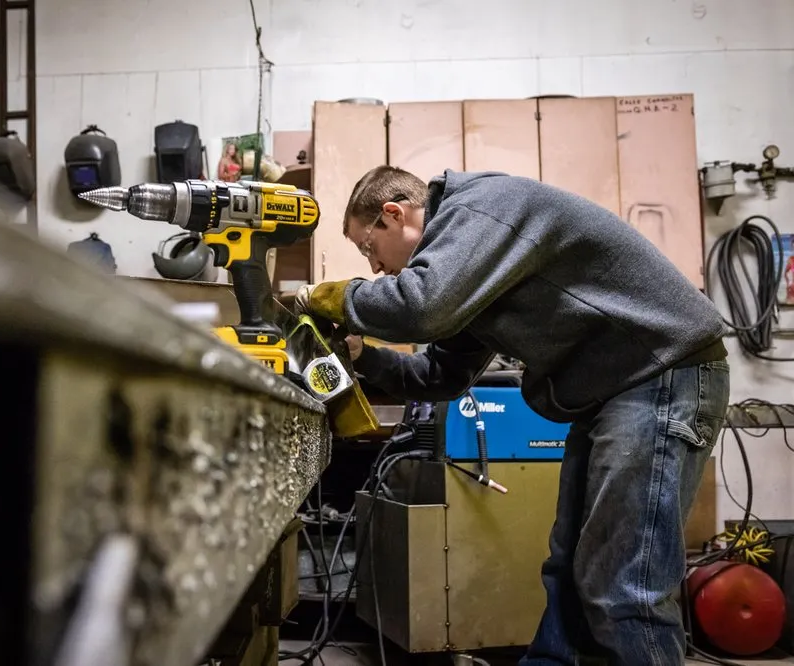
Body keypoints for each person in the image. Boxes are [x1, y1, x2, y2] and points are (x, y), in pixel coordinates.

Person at [293, 165, 730, 666]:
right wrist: (361, 354)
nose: (375, 269)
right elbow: (439, 375)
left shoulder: (479, 207)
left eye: (369, 248)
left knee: (625, 587)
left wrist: (329, 296)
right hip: (615, 391)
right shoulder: (472, 270)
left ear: (394, 215)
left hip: (663, 374)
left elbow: (420, 308)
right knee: (568, 571)